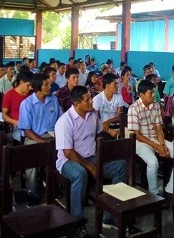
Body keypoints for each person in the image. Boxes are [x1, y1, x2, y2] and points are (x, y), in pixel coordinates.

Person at [56, 86, 128, 237]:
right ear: (76, 104)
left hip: (91, 156)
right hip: (68, 161)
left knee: (121, 165)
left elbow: (100, 131)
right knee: (80, 173)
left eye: (90, 97)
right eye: (87, 100)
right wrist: (90, 167)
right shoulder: (65, 122)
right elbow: (68, 152)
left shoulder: (92, 115)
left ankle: (110, 216)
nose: (91, 101)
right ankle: (77, 223)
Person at [128, 80, 174, 196]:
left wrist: (163, 146)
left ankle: (170, 189)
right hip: (140, 142)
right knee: (153, 162)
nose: (153, 95)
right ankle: (153, 193)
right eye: (150, 93)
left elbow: (159, 129)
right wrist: (157, 146)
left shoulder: (155, 106)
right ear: (141, 94)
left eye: (154, 92)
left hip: (155, 138)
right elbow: (137, 135)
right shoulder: (133, 108)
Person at [18, 73, 63, 204]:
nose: (50, 86)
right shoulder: (27, 104)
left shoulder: (53, 99)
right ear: (38, 87)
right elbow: (26, 130)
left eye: (49, 83)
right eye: (46, 84)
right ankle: (31, 190)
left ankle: (54, 184)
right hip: (34, 137)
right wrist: (43, 142)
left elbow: (61, 121)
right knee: (32, 158)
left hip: (53, 135)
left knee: (65, 152)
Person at [2, 72, 33, 142]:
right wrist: (15, 122)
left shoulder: (32, 94)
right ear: (21, 82)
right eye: (28, 85)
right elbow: (4, 115)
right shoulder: (9, 95)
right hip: (17, 126)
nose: (31, 88)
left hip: (32, 124)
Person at [92, 73, 124, 139]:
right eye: (115, 84)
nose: (118, 86)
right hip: (102, 128)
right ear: (107, 85)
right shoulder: (97, 99)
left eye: (117, 83)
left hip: (116, 126)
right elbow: (95, 120)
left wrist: (108, 121)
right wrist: (109, 130)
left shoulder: (119, 97)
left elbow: (120, 117)